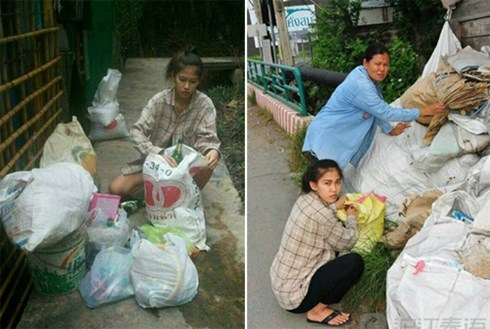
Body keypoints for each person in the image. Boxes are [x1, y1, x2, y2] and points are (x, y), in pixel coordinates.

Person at [302, 42, 447, 169]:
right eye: (377, 64)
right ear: (365, 63)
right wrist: (423, 111)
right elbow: (384, 112)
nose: (382, 69)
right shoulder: (361, 84)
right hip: (327, 136)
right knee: (322, 186)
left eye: (385, 65)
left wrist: (388, 129)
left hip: (332, 136)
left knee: (326, 185)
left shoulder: (369, 81)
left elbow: (374, 111)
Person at [109, 46, 221, 196]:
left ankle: (187, 195)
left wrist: (212, 151)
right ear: (174, 76)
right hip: (156, 163)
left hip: (187, 168)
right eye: (182, 79)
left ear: (199, 81)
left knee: (207, 166)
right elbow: (137, 131)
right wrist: (157, 153)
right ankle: (157, 186)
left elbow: (208, 139)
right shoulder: (159, 101)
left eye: (192, 81)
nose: (186, 86)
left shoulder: (204, 105)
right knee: (116, 188)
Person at [270, 159, 363, 326]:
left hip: (281, 283)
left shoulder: (304, 199)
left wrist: (334, 206)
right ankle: (317, 311)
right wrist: (351, 219)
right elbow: (347, 242)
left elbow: (321, 215)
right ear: (314, 185)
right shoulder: (323, 216)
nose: (334, 189)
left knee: (331, 242)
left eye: (337, 182)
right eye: (327, 183)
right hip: (296, 298)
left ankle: (317, 303)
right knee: (354, 263)